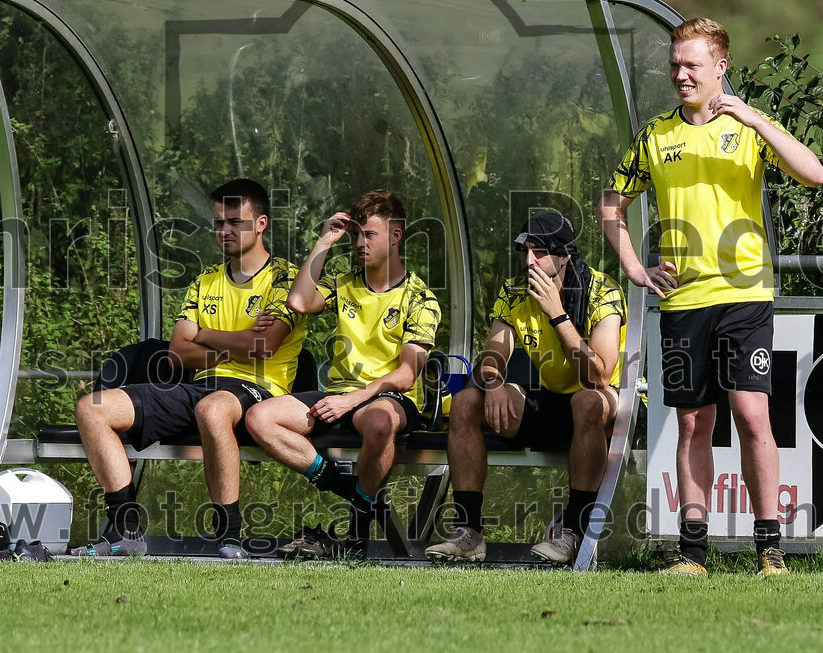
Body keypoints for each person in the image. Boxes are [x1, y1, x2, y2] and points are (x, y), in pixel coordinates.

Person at [597, 17, 823, 576]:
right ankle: (691, 553)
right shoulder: (656, 136)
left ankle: (770, 548)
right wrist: (635, 268)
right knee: (694, 423)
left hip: (745, 295)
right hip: (682, 301)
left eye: (691, 65)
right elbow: (610, 202)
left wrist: (753, 117)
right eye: (675, 64)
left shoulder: (749, 128)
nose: (680, 74)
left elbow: (814, 174)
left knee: (751, 414)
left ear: (720, 67)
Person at [72, 178, 305, 558]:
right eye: (218, 223)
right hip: (200, 388)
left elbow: (265, 347)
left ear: (261, 223)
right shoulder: (205, 280)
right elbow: (178, 354)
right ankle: (125, 533)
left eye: (234, 222)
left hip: (259, 393)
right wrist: (238, 342)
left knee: (212, 409)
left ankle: (229, 537)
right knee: (92, 408)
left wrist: (208, 335)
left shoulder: (286, 278)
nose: (224, 231)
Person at [246, 190, 440, 558]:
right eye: (355, 235)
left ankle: (356, 533)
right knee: (259, 417)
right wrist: (323, 241)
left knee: (380, 423)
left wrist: (352, 399)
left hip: (387, 399)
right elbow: (299, 301)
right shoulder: (344, 282)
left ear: (395, 236)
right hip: (339, 394)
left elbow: (407, 375)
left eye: (369, 235)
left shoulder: (420, 297)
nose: (359, 243)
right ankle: (353, 493)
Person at [425, 211, 625, 565]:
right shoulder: (514, 291)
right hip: (549, 401)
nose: (528, 260)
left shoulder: (602, 290)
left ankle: (573, 533)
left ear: (564, 255)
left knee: (586, 401)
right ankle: (468, 531)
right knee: (467, 400)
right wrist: (494, 381)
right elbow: (492, 355)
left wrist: (557, 314)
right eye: (524, 251)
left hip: (601, 405)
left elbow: (599, 376)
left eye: (540, 251)